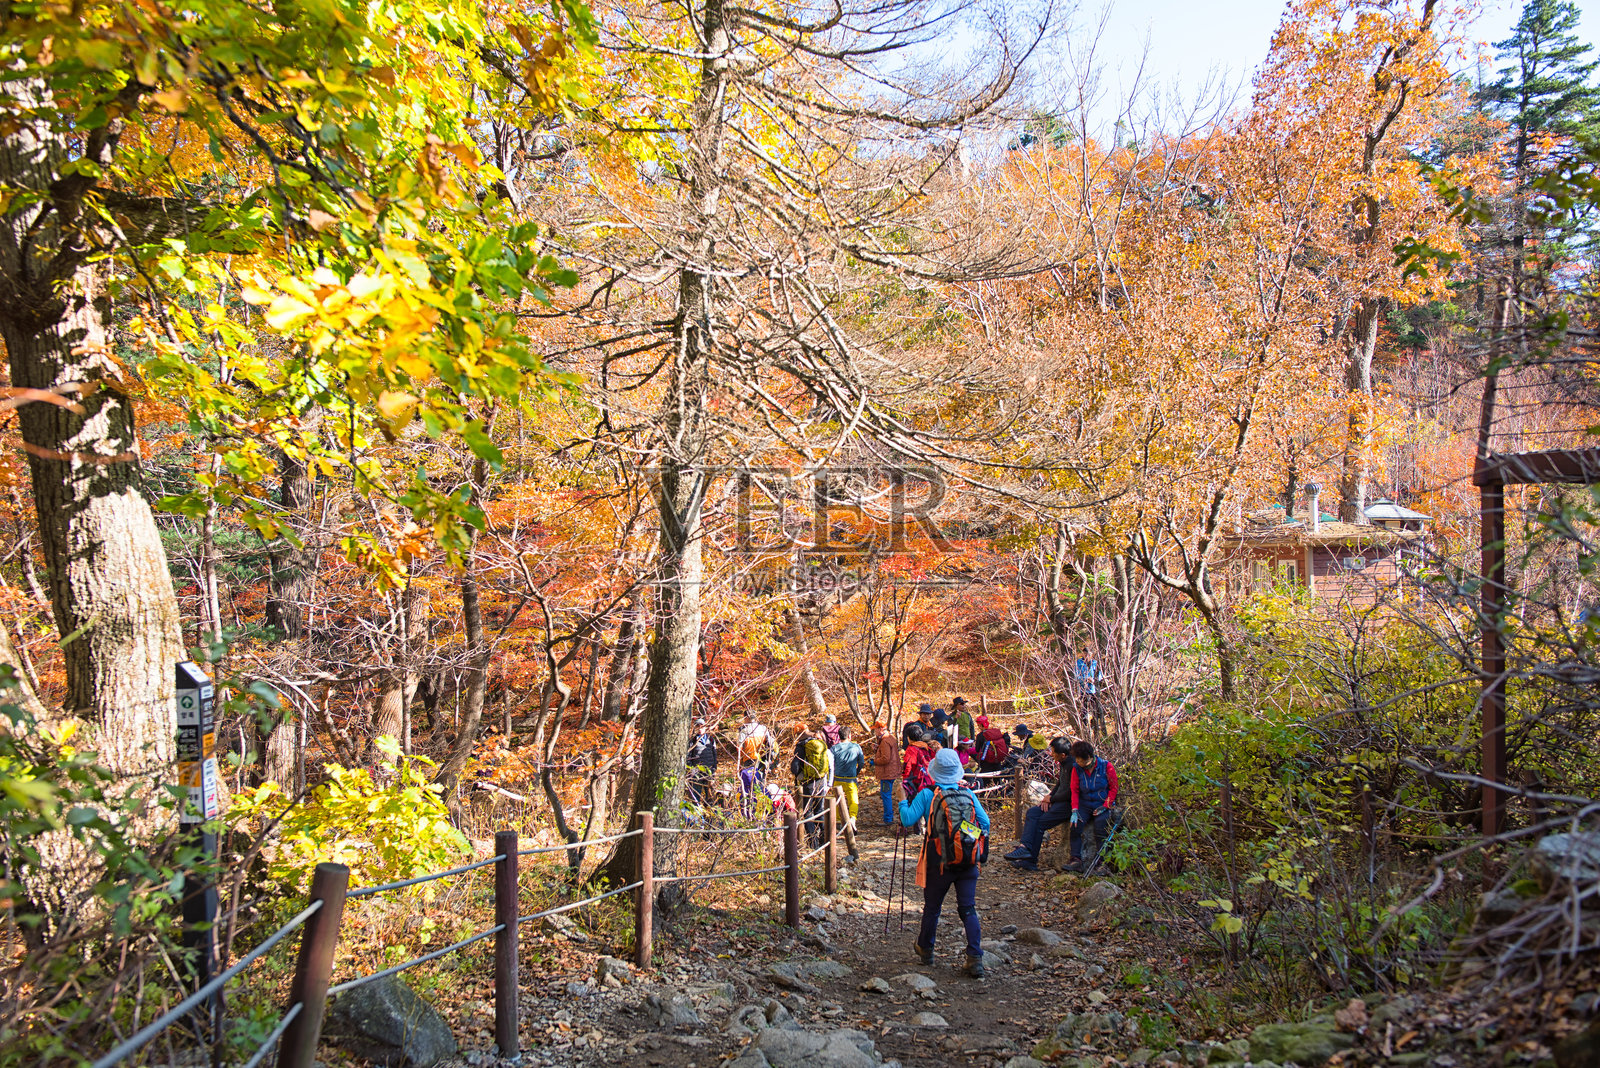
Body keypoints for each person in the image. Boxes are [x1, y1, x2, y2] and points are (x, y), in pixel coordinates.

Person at [896, 748, 991, 978]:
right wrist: (962, 836)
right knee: (968, 908)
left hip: (938, 862)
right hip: (968, 861)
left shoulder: (929, 793)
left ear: (935, 772)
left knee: (933, 908)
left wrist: (901, 800)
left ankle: (926, 949)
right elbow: (985, 824)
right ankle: (975, 958)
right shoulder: (968, 795)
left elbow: (908, 819)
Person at [1004, 736, 1075, 871]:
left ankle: (1031, 860)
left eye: (1054, 752)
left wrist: (1051, 799)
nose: (1051, 754)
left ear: (1063, 755)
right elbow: (1060, 783)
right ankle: (1024, 848)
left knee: (1040, 823)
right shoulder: (1064, 763)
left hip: (1069, 805)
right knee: (1033, 813)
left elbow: (1071, 792)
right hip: (1058, 800)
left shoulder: (1073, 765)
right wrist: (1049, 796)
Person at [1062, 740, 1119, 872]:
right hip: (1085, 804)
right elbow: (1074, 790)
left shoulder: (1106, 766)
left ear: (1089, 757)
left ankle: (1102, 862)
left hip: (1102, 804)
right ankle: (1076, 859)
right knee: (1075, 826)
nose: (1079, 763)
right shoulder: (1076, 769)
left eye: (1081, 760)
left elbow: (1113, 788)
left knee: (1101, 827)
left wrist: (1106, 805)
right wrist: (1074, 810)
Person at [793, 726, 833, 847]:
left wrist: (799, 774)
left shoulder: (801, 746)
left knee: (808, 811)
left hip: (808, 783)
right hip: (821, 780)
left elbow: (794, 767)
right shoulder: (819, 742)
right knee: (819, 809)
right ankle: (825, 838)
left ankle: (813, 842)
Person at [736, 711, 772, 814]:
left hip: (748, 760)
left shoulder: (744, 731)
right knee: (761, 784)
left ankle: (750, 809)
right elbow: (769, 744)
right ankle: (762, 809)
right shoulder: (763, 729)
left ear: (746, 718)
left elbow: (739, 748)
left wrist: (739, 764)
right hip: (761, 760)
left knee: (749, 785)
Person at [829, 725, 864, 823]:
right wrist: (857, 772)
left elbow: (830, 764)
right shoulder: (856, 747)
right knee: (853, 800)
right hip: (851, 779)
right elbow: (861, 762)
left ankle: (838, 820)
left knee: (837, 799)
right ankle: (852, 818)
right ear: (849, 736)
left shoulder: (834, 748)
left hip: (837, 778)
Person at [871, 719, 901, 824]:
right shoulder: (890, 738)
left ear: (881, 729)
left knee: (886, 795)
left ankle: (888, 819)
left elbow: (885, 758)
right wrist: (877, 749)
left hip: (887, 773)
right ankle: (889, 818)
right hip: (891, 772)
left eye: (875, 729)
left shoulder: (885, 741)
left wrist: (874, 761)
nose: (874, 732)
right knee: (886, 794)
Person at [686, 717, 717, 805]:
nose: (700, 728)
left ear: (705, 727)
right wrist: (692, 769)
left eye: (702, 726)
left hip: (709, 770)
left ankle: (710, 815)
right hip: (697, 772)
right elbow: (688, 756)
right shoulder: (692, 740)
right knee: (695, 795)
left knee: (710, 795)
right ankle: (696, 815)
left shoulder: (710, 739)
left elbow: (714, 754)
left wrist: (714, 767)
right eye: (697, 726)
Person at [902, 722, 936, 797]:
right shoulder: (927, 747)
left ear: (909, 737)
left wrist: (905, 781)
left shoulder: (911, 749)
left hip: (918, 781)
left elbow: (908, 766)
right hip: (930, 779)